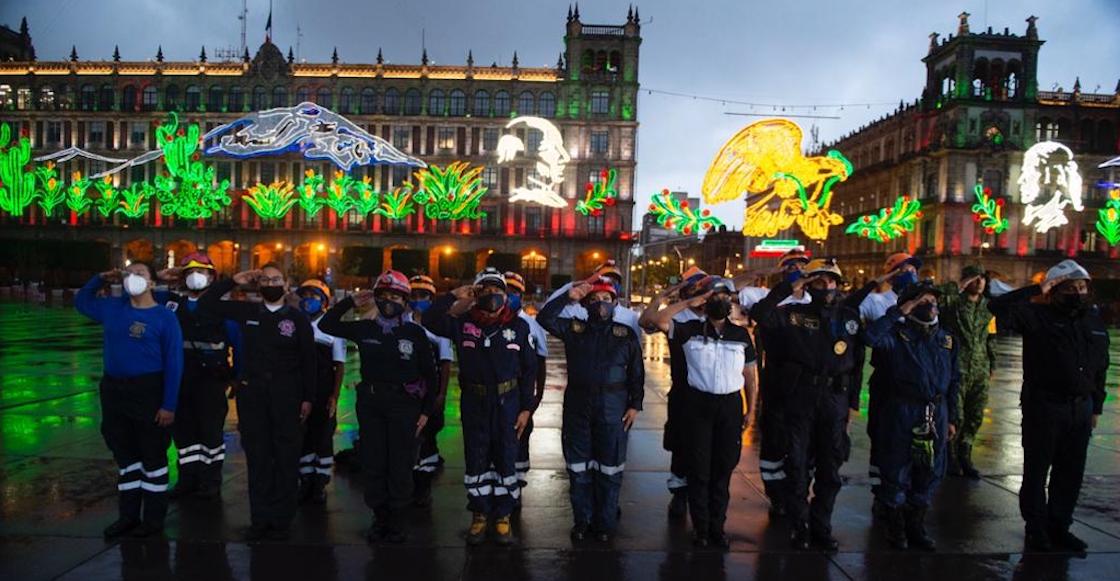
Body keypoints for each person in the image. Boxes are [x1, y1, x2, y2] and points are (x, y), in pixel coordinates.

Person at [751, 259, 881, 551]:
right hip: (801, 398)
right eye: (820, 282)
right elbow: (761, 314)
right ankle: (800, 526)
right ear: (809, 285)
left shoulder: (849, 317)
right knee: (797, 465)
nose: (827, 287)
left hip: (834, 399)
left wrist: (851, 404)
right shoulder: (793, 315)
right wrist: (789, 286)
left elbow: (857, 363)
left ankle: (822, 526)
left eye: (831, 281)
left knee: (830, 467)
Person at [987, 260, 1109, 552]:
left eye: (1082, 287)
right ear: (1055, 290)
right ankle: (1036, 528)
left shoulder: (1092, 320)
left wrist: (1096, 406)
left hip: (1080, 408)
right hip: (1044, 406)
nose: (1078, 293)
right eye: (1070, 288)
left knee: (1071, 472)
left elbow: (1100, 366)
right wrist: (1037, 288)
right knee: (1037, 471)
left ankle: (1060, 526)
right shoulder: (1036, 316)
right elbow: (998, 306)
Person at [198, 264, 316, 541]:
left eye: (276, 279)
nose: (271, 284)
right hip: (253, 394)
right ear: (258, 284)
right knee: (258, 457)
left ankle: (282, 520)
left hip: (287, 394)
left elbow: (308, 361)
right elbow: (206, 305)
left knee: (286, 458)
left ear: (286, 284)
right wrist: (233, 281)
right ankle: (260, 519)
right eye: (265, 279)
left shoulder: (298, 319)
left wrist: (308, 398)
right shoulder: (248, 312)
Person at [318, 270, 437, 543]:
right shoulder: (365, 328)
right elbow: (327, 324)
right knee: (374, 462)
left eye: (396, 297)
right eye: (384, 296)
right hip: (371, 404)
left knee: (400, 463)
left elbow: (430, 376)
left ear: (405, 301)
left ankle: (396, 520)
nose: (389, 302)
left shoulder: (414, 333)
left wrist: (425, 411)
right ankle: (379, 516)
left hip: (404, 406)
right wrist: (350, 302)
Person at [422, 267, 537, 545]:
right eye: (486, 290)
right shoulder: (462, 324)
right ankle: (480, 514)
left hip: (508, 403)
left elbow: (529, 369)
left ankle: (503, 516)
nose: (492, 295)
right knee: (476, 457)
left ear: (506, 295)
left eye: (498, 290)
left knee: (505, 456)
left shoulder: (519, 327)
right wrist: (453, 295)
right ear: (476, 294)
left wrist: (526, 408)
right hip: (475, 401)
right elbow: (430, 319)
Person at [647, 277, 758, 549]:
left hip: (730, 407)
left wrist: (751, 410)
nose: (721, 300)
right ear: (704, 301)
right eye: (714, 296)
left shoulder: (741, 335)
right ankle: (701, 529)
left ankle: (717, 528)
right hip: (698, 406)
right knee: (699, 470)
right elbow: (655, 319)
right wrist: (686, 302)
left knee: (723, 470)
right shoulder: (689, 329)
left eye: (725, 296)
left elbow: (750, 376)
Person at [75, 262, 183, 538]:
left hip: (148, 391)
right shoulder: (113, 308)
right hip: (114, 391)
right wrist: (99, 277)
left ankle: (153, 520)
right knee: (126, 457)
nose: (133, 277)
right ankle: (128, 516)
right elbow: (82, 302)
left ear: (152, 283)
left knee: (153, 457)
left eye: (140, 273)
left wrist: (168, 404)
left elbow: (174, 362)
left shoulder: (164, 317)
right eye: (129, 273)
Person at [538, 275, 644, 542]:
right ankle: (582, 521)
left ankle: (604, 523)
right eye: (594, 299)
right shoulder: (574, 330)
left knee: (610, 469)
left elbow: (636, 373)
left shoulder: (625, 335)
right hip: (578, 407)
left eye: (606, 299)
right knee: (578, 469)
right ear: (585, 305)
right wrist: (568, 297)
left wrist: (635, 405)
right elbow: (544, 318)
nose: (600, 303)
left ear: (615, 303)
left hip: (613, 408)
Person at [863, 281, 960, 551]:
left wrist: (952, 417)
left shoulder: (946, 339)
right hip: (901, 410)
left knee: (930, 470)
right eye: (922, 301)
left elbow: (955, 379)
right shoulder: (895, 335)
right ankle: (895, 527)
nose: (930, 306)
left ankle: (916, 525)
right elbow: (869, 337)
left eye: (933, 301)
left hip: (936, 412)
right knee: (896, 468)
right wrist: (899, 312)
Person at [156, 252, 241, 502]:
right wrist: (161, 277)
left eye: (201, 272)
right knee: (184, 434)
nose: (196, 276)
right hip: (180, 380)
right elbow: (145, 298)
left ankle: (210, 482)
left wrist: (238, 377)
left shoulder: (223, 309)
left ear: (212, 277)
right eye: (190, 272)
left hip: (211, 380)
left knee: (210, 433)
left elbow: (239, 344)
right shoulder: (172, 304)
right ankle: (187, 480)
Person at [733, 249, 811, 517]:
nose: (798, 270)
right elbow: (732, 287)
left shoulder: (813, 300)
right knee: (775, 438)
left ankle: (797, 491)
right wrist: (764, 273)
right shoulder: (762, 295)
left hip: (806, 383)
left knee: (801, 442)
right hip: (777, 376)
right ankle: (776, 494)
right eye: (791, 266)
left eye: (802, 266)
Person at [638, 267, 710, 518]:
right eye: (693, 288)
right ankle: (679, 494)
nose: (699, 292)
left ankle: (703, 494)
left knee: (707, 446)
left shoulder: (716, 314)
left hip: (711, 392)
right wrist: (665, 296)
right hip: (683, 390)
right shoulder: (677, 316)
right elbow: (646, 321)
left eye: (702, 288)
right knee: (681, 443)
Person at [859, 252, 921, 510]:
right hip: (886, 378)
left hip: (916, 381)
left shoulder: (924, 300)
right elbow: (854, 311)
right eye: (904, 269)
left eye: (913, 269)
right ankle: (882, 492)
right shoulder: (876, 301)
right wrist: (878, 281)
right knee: (882, 437)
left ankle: (907, 492)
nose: (911, 274)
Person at [935, 264, 995, 479]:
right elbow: (938, 297)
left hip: (980, 368)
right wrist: (958, 286)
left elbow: (990, 336)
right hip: (957, 367)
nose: (979, 283)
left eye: (982, 279)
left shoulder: (988, 307)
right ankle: (950, 456)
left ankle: (965, 454)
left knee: (975, 414)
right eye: (974, 278)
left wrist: (992, 364)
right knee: (956, 415)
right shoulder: (953, 303)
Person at [294, 279, 347, 505]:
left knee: (323, 437)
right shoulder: (295, 323)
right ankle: (305, 479)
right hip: (299, 390)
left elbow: (339, 365)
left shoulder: (332, 327)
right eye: (305, 295)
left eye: (314, 296)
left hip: (323, 391)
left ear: (324, 301)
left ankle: (320, 483)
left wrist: (334, 396)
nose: (308, 300)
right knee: (302, 437)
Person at [408, 274, 455, 507]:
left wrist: (441, 394)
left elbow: (445, 363)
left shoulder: (439, 327)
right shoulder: (402, 322)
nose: (418, 300)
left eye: (423, 296)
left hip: (430, 392)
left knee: (427, 437)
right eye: (414, 295)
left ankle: (423, 486)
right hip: (407, 393)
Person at [505, 271, 550, 493]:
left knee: (521, 435)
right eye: (505, 291)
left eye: (513, 292)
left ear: (521, 296)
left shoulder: (531, 325)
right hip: (500, 393)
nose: (508, 296)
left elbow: (541, 362)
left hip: (522, 394)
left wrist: (537, 396)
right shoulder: (490, 321)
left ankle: (518, 483)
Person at [548, 259, 642, 337]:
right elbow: (547, 311)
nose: (609, 283)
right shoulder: (579, 311)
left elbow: (635, 348)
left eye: (614, 280)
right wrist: (571, 288)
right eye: (604, 278)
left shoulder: (631, 317)